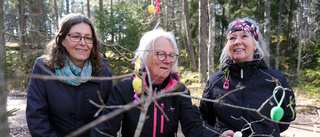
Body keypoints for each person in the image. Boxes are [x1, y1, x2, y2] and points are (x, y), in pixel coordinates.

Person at [90, 28, 233, 137]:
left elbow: (193, 126)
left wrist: (217, 135)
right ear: (144, 55)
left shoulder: (179, 90)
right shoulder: (125, 88)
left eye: (172, 55)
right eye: (161, 54)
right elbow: (105, 129)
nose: (168, 60)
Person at [199, 17, 296, 137]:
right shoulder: (215, 82)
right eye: (232, 38)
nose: (237, 42)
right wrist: (218, 134)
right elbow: (203, 120)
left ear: (255, 45)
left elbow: (287, 117)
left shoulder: (275, 80)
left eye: (244, 36)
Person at [26, 13, 113, 137]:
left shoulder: (103, 72)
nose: (83, 43)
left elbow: (107, 119)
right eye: (75, 36)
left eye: (88, 38)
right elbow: (36, 116)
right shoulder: (43, 67)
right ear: (62, 40)